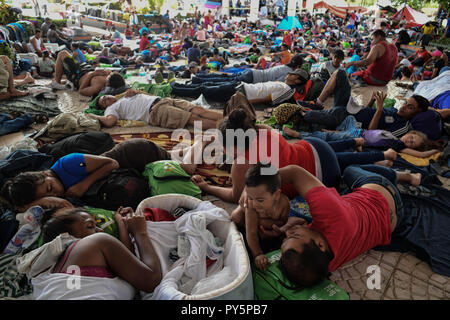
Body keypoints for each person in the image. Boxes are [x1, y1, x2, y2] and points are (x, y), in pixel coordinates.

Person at [261, 164, 420, 287]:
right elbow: (295, 172)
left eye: (285, 238)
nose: (288, 233)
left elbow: (305, 229)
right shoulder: (332, 214)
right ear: (320, 245)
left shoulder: (320, 266)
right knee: (350, 170)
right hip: (383, 193)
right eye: (294, 236)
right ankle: (402, 176)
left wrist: (287, 229)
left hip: (390, 222)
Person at [31, 207, 162, 298]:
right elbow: (151, 280)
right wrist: (140, 233)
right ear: (66, 236)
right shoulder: (96, 241)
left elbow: (127, 263)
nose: (101, 231)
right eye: (90, 226)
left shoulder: (49, 269)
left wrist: (121, 224)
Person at [1, 153, 120, 212]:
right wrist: (44, 201)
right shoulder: (51, 195)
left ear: (44, 173)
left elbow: (112, 163)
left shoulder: (70, 164)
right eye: (45, 197)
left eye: (50, 188)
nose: (54, 195)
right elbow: (20, 209)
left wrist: (84, 184)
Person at [91, 88, 223, 130]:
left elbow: (147, 96)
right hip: (155, 112)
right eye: (104, 101)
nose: (107, 98)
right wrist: (94, 116)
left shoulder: (122, 97)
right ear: (104, 107)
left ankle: (228, 119)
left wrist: (137, 92)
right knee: (194, 119)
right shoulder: (111, 109)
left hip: (162, 100)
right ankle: (227, 128)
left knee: (199, 110)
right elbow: (110, 122)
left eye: (105, 96)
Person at [170, 68, 306, 103]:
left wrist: (243, 101)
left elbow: (269, 99)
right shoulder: (283, 84)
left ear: (298, 80)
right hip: (241, 86)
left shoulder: (288, 90)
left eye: (293, 74)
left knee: (204, 90)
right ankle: (178, 87)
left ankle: (176, 89)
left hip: (241, 93)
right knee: (207, 84)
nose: (289, 74)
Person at [191, 53, 304, 85]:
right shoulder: (288, 74)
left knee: (224, 76)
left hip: (252, 72)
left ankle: (199, 77)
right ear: (298, 67)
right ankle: (199, 80)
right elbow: (275, 84)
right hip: (252, 78)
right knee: (224, 80)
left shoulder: (282, 66)